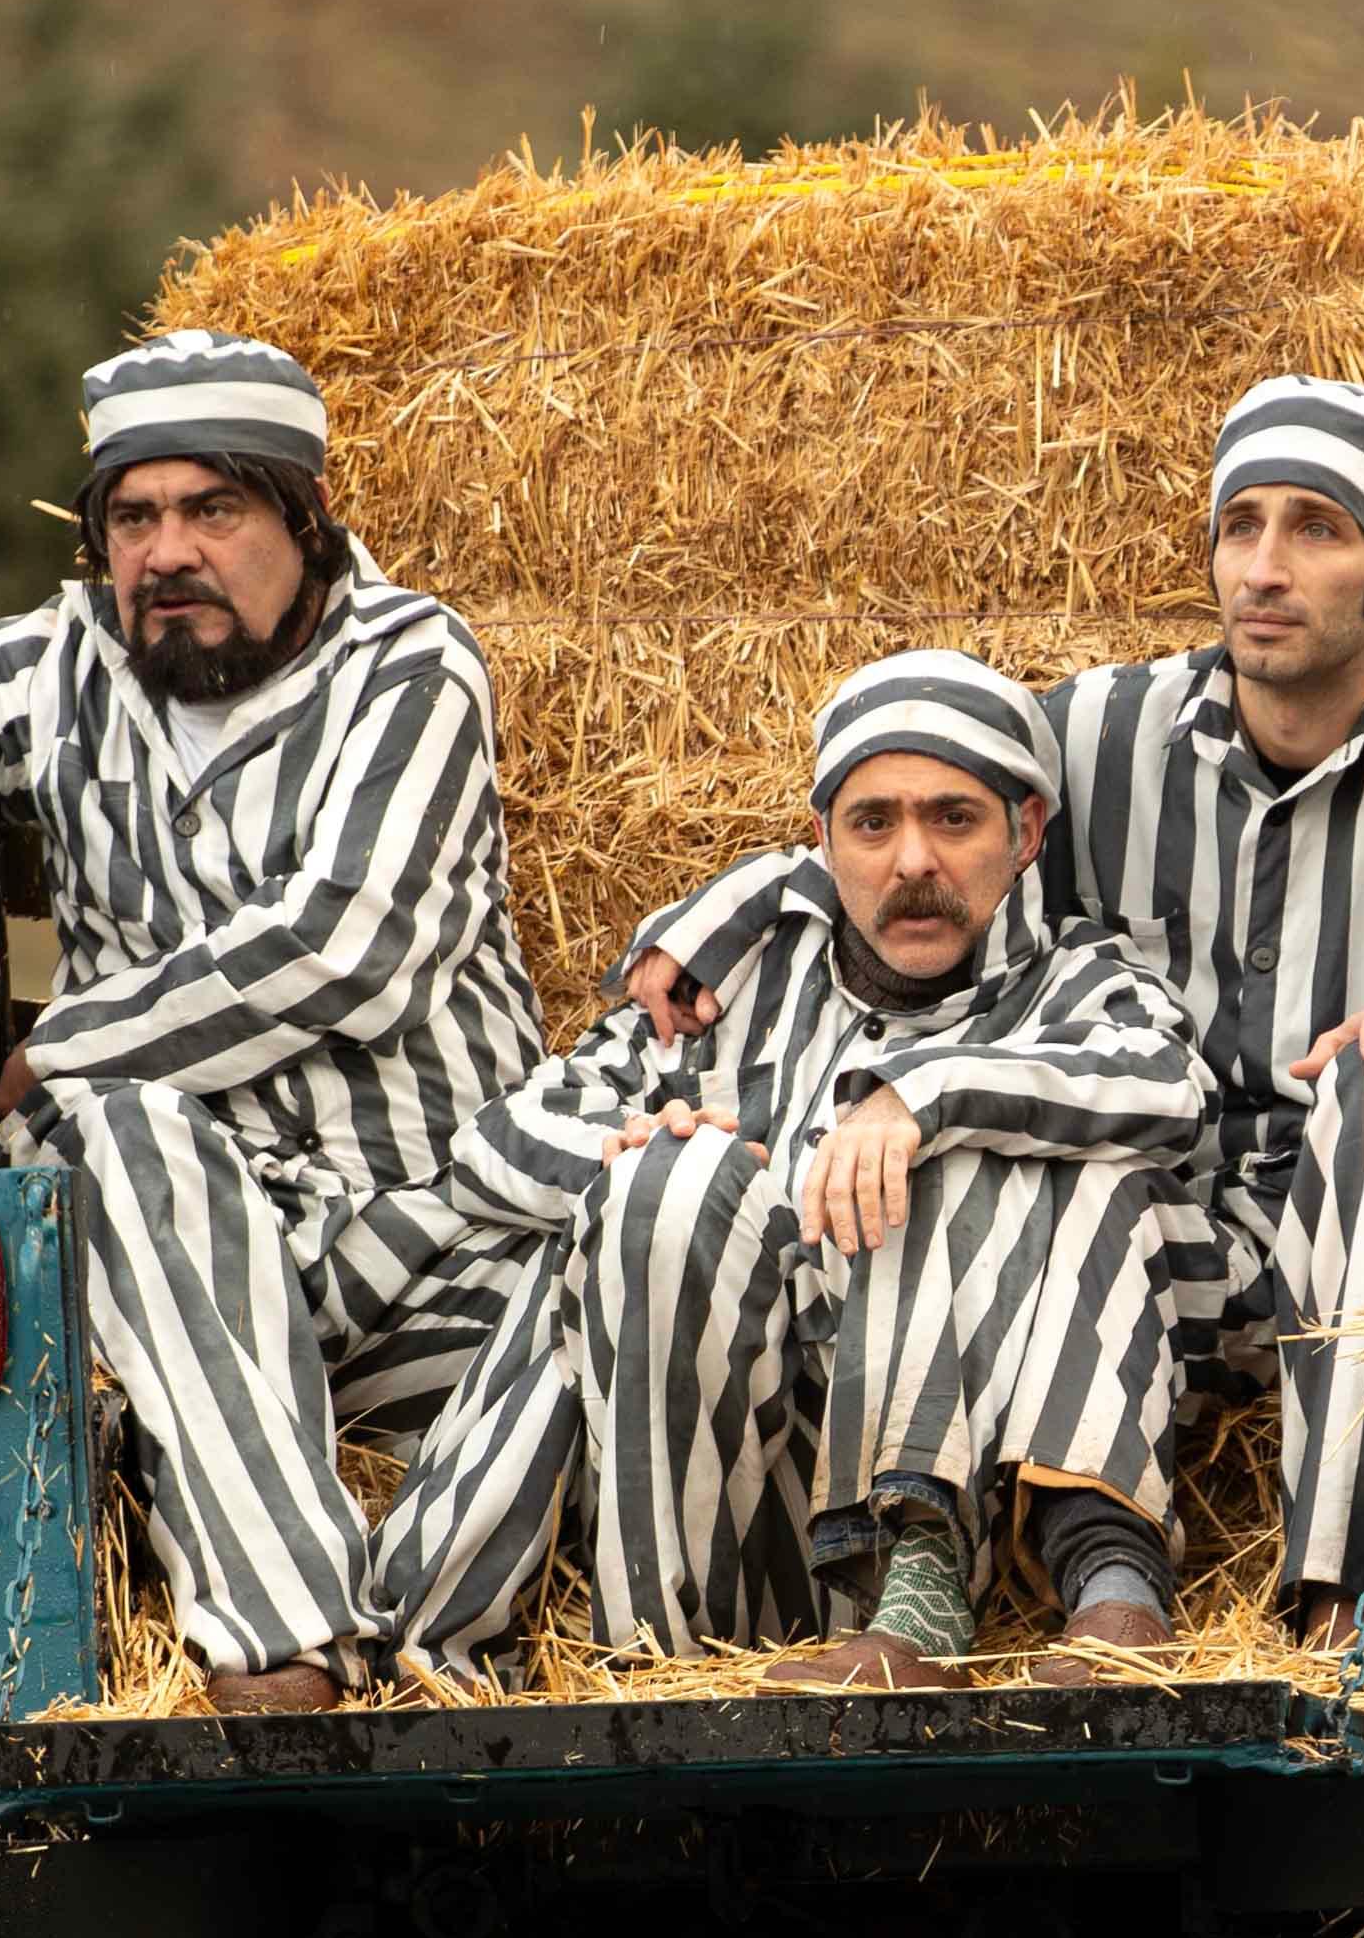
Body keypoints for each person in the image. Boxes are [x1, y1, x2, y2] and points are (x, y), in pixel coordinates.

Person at [629, 372, 1364, 1627]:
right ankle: (1017, 1590)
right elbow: (925, 835)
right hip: (1140, 1237)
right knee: (1027, 1126)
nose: (1262, 568)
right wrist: (717, 919)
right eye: (1241, 524)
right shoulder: (1097, 732)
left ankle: (1343, 1596)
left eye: (1316, 529)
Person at [0, 327, 542, 1710]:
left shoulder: (409, 665)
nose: (167, 550)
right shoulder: (62, 660)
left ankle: (444, 1645)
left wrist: (58, 1047)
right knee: (119, 1134)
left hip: (430, 1237)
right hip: (181, 1253)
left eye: (212, 508)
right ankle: (283, 1635)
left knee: (622, 1280)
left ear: (300, 520)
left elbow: (347, 948)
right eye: (134, 516)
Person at [373, 648, 1209, 1685]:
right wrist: (626, 1155)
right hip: (743, 1518)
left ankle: (1011, 1587)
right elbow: (495, 1142)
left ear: (1025, 833)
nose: (912, 861)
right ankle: (659, 1669)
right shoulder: (730, 988)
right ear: (821, 841)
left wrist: (923, 1098)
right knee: (667, 1184)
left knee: (1040, 1153)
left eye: (954, 819)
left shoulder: (1076, 983)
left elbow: (1170, 1089)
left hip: (976, 1535)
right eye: (872, 824)